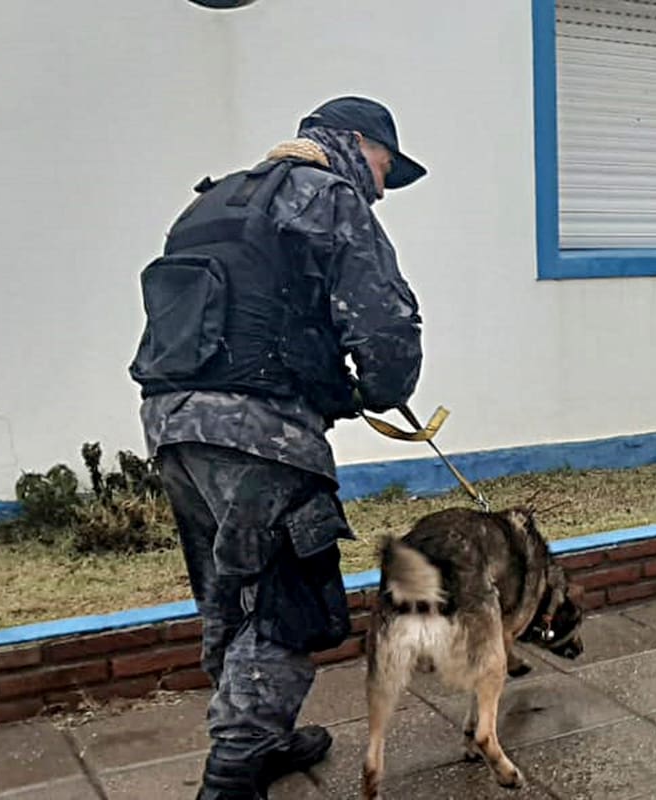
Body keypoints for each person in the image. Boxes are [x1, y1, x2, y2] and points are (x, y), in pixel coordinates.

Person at [129, 96, 426, 799]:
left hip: (172, 426)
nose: (383, 184)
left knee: (230, 591)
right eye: (386, 164)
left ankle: (258, 737)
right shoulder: (331, 197)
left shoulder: (212, 202)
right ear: (357, 143)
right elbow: (385, 325)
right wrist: (380, 391)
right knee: (286, 601)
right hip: (263, 436)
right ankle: (233, 772)